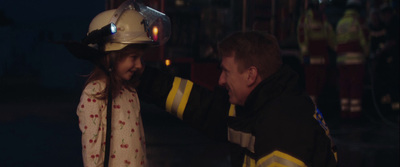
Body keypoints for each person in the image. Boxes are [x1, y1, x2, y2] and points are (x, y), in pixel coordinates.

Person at [138, 31, 337, 166]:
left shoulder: (283, 126)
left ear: (251, 75)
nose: (221, 80)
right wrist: (142, 77)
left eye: (226, 71)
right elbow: (201, 106)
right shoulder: (256, 105)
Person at [74, 1, 170, 166]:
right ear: (111, 55)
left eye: (140, 58)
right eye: (133, 57)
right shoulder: (94, 94)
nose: (140, 65)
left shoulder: (129, 89)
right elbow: (92, 156)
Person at [297, 0, 336, 105]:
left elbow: (330, 37)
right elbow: (302, 36)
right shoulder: (306, 19)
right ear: (315, 5)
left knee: (319, 88)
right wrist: (305, 54)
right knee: (311, 90)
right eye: (322, 5)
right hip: (311, 60)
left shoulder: (323, 19)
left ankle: (315, 113)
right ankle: (312, 115)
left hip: (322, 61)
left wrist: (338, 48)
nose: (324, 7)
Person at [335, 0, 368, 118]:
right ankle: (354, 114)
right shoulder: (358, 21)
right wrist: (368, 53)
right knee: (355, 86)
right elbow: (364, 40)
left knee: (344, 86)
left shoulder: (341, 22)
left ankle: (344, 112)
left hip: (341, 61)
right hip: (356, 60)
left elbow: (336, 42)